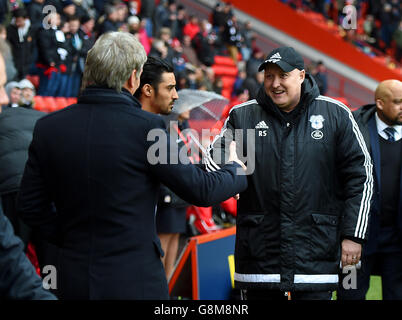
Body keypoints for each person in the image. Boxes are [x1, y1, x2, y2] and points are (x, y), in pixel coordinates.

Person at [17, 32, 247, 300]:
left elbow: (29, 206)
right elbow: (201, 190)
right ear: (133, 78)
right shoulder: (150, 128)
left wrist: (70, 238)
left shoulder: (48, 127)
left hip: (71, 276)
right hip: (135, 279)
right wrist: (236, 169)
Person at [208, 46, 373, 300]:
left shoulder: (336, 114)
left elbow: (361, 175)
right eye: (269, 76)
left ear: (302, 75)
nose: (275, 84)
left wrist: (353, 235)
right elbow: (214, 156)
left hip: (315, 258)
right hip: (259, 259)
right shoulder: (243, 115)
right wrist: (229, 171)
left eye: (283, 75)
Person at [337, 79, 402, 300]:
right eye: (398, 102)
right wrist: (348, 234)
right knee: (349, 294)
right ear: (380, 104)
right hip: (356, 239)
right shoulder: (353, 128)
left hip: (397, 241)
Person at [0, 51, 55, 301]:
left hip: (11, 189)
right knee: (46, 258)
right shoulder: (45, 118)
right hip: (39, 189)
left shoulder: (6, 118)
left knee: (14, 251)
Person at [134, 56, 185, 280]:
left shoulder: (167, 128)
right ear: (147, 89)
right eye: (170, 88)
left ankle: (166, 285)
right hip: (160, 205)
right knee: (161, 246)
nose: (175, 96)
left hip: (175, 198)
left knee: (172, 241)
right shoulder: (153, 128)